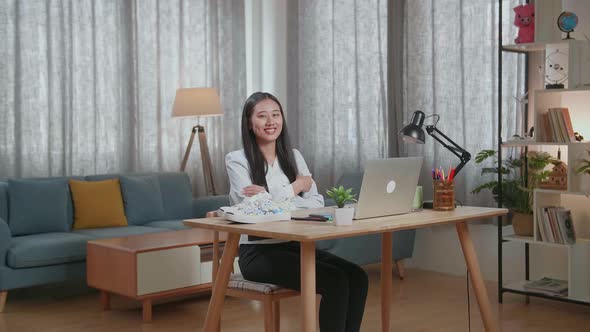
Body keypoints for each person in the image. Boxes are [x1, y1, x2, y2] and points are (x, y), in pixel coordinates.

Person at [225, 92, 368, 332]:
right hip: (257, 252)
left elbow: (316, 203)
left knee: (358, 277)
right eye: (262, 116)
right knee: (336, 281)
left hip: (294, 245)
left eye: (276, 115)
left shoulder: (293, 156)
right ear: (249, 123)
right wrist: (295, 187)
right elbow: (254, 209)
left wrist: (270, 197)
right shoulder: (237, 160)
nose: (271, 122)